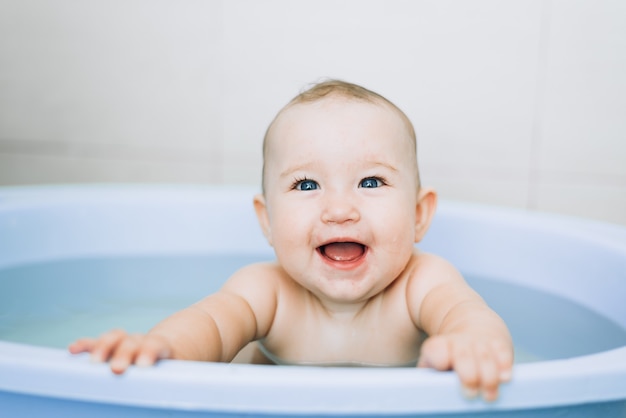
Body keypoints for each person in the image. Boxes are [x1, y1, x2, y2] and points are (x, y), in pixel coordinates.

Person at [69, 79, 513, 401]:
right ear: (267, 220)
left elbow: (468, 316)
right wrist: (162, 348)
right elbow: (210, 327)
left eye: (371, 181)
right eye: (306, 185)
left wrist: (470, 343)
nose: (339, 209)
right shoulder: (266, 290)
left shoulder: (424, 283)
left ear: (418, 215)